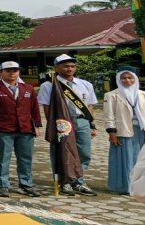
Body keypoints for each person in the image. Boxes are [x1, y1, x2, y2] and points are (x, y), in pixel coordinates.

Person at [37, 54, 98, 196]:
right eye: (65, 66)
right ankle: (64, 182)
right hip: (62, 123)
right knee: (61, 152)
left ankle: (78, 181)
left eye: (72, 66)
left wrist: (91, 125)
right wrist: (53, 126)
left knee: (84, 152)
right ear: (56, 68)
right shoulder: (49, 85)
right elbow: (47, 108)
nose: (69, 69)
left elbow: (89, 106)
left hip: (82, 121)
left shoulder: (85, 84)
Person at [0, 61, 42, 197]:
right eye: (8, 70)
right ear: (0, 72)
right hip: (3, 129)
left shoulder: (27, 88)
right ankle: (1, 185)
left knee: (26, 158)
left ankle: (26, 184)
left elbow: (34, 109)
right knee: (2, 158)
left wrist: (37, 125)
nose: (12, 73)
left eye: (15, 70)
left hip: (25, 129)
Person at [104, 67, 145, 194]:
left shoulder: (144, 95)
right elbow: (109, 115)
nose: (127, 80)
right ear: (118, 79)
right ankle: (124, 187)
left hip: (142, 131)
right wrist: (111, 132)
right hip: (122, 131)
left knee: (140, 159)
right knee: (125, 160)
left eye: (130, 77)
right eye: (123, 78)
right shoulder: (112, 95)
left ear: (135, 79)